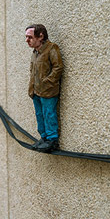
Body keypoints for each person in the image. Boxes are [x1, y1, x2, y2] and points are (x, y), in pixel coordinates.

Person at [25, 24, 63, 153]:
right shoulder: (35, 52)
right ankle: (44, 137)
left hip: (47, 91)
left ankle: (52, 140)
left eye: (30, 37)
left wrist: (47, 82)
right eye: (26, 37)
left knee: (49, 113)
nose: (27, 40)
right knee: (39, 114)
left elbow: (58, 67)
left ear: (40, 36)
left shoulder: (51, 48)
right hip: (36, 91)